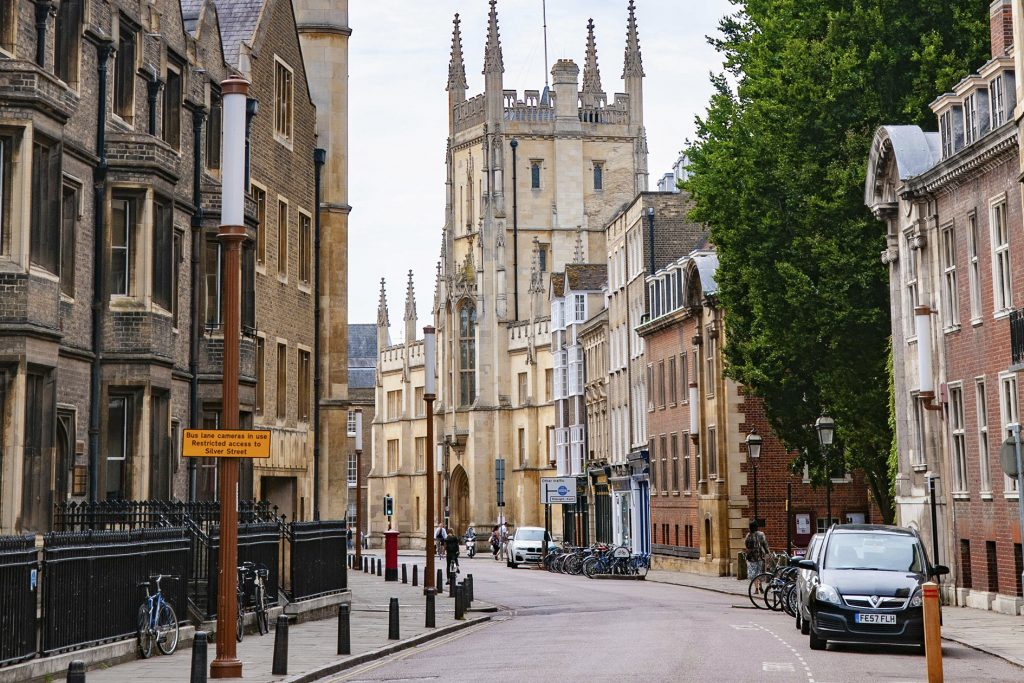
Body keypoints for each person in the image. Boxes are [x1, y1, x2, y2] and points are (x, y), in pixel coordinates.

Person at [745, 520, 770, 590]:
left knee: (753, 573)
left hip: (751, 557)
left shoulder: (748, 535)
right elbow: (765, 545)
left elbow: (746, 545)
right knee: (759, 572)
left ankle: (756, 588)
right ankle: (760, 586)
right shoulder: (761, 534)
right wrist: (768, 553)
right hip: (760, 556)